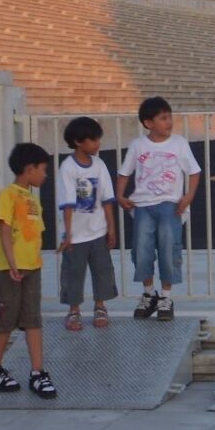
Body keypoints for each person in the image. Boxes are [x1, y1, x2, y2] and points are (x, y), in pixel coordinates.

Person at [0, 142, 57, 399]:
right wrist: (13, 264)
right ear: (29, 168)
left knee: (33, 319)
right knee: (5, 321)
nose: (45, 175)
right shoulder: (8, 194)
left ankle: (38, 372)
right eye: (43, 170)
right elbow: (4, 229)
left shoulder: (33, 199)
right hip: (7, 269)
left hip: (31, 268)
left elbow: (35, 235)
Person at [116, 96, 201, 321]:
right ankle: (148, 294)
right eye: (163, 118)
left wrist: (188, 196)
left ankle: (165, 297)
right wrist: (120, 195)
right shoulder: (137, 145)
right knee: (141, 249)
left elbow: (193, 171)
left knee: (168, 247)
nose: (169, 122)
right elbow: (125, 172)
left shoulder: (179, 143)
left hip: (169, 205)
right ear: (148, 123)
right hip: (143, 205)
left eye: (170, 117)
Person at [58, 116, 118, 330]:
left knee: (102, 270)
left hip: (98, 231)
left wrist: (111, 228)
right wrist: (68, 234)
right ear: (78, 142)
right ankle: (73, 311)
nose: (98, 144)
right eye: (93, 140)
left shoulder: (100, 165)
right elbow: (67, 204)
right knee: (74, 272)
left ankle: (100, 306)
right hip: (76, 234)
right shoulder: (67, 168)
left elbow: (108, 200)